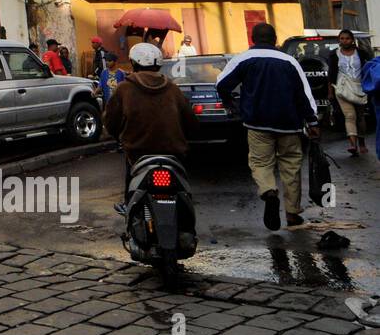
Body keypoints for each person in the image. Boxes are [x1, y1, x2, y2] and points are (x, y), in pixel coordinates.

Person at [216, 22, 319, 231]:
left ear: (253, 39)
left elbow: (221, 84)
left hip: (257, 123)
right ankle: (292, 214)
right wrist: (313, 121)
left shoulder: (244, 59)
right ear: (275, 40)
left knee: (261, 163)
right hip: (289, 124)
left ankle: (269, 191)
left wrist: (231, 104)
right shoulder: (290, 61)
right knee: (291, 167)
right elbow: (304, 95)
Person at [104, 41, 198, 214]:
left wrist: (119, 137)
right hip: (174, 152)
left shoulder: (124, 89)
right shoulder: (173, 89)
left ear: (133, 63)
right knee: (183, 189)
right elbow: (191, 122)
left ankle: (128, 204)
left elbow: (111, 122)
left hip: (138, 153)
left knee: (131, 182)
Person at [328, 29, 372, 156]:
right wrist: (330, 91)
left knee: (360, 116)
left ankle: (362, 142)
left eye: (347, 38)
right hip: (342, 89)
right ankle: (353, 144)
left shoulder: (361, 53)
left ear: (352, 40)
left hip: (360, 88)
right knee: (349, 116)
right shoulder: (334, 54)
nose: (344, 41)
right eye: (341, 38)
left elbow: (369, 68)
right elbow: (331, 74)